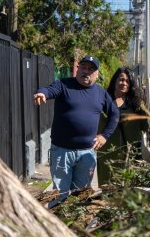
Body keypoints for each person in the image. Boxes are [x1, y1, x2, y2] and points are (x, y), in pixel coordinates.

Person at [33, 55, 119, 208]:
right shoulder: (64, 84)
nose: (86, 72)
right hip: (61, 152)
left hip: (87, 154)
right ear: (78, 69)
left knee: (81, 196)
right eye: (83, 67)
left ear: (97, 74)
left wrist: (105, 136)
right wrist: (42, 93)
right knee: (60, 195)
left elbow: (114, 114)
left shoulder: (100, 93)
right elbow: (49, 90)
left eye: (91, 69)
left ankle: (75, 229)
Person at [97, 67, 148, 185]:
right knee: (108, 188)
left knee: (129, 188)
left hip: (131, 153)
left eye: (127, 81)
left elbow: (146, 125)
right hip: (108, 153)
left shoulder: (136, 103)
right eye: (121, 80)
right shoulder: (104, 100)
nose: (124, 83)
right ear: (114, 81)